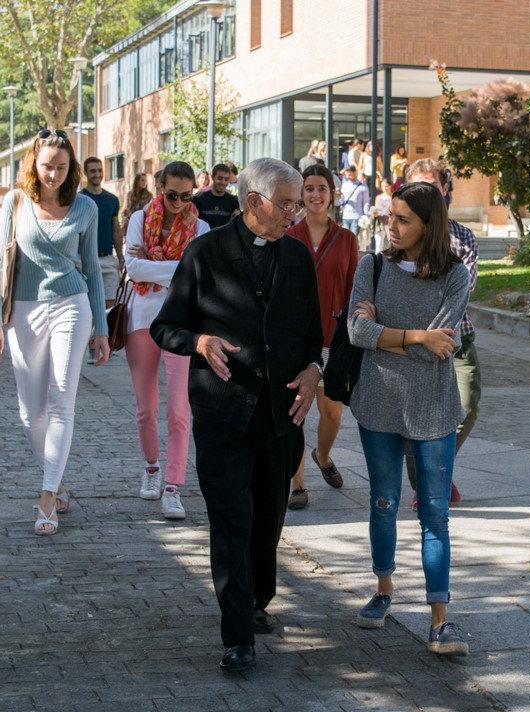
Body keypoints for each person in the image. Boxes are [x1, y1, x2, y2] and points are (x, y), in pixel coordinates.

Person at [151, 158, 323, 672]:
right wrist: (199, 341)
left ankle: (256, 601)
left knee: (267, 518)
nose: (296, 213)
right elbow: (166, 328)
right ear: (253, 203)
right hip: (223, 413)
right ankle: (237, 635)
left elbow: (313, 334)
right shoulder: (204, 254)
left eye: (298, 204)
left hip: (281, 414)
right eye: (288, 204)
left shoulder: (297, 256)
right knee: (231, 519)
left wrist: (315, 369)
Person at [347, 181, 471, 657]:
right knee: (383, 501)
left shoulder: (454, 276)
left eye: (403, 219)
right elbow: (357, 331)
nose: (391, 226)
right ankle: (383, 590)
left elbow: (440, 350)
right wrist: (418, 337)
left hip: (433, 409)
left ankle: (441, 621)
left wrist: (390, 334)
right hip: (377, 402)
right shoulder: (372, 265)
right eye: (390, 216)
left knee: (435, 513)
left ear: (427, 225)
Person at [0, 129, 110, 536]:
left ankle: (47, 493)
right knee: (29, 412)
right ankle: (55, 478)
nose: (53, 174)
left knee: (61, 400)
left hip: (72, 306)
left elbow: (91, 269)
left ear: (70, 166)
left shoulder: (86, 207)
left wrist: (102, 328)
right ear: (33, 165)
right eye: (46, 166)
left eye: (60, 166)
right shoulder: (15, 202)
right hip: (23, 310)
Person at [124, 161, 211, 520]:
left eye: (186, 195)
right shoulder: (139, 220)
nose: (178, 202)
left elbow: (199, 273)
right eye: (171, 194)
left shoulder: (201, 227)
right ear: (160, 186)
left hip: (182, 325)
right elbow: (133, 269)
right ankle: (151, 468)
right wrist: (179, 269)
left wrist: (158, 267)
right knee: (146, 409)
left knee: (179, 410)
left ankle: (173, 486)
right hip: (141, 320)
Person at [404, 158, 479, 508]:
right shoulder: (400, 234)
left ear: (445, 189)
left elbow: (465, 291)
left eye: (432, 186)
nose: (425, 194)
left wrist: (436, 330)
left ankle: (438, 470)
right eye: (417, 186)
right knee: (414, 415)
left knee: (466, 404)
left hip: (457, 337)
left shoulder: (462, 236)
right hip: (409, 342)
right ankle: (429, 482)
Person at [285, 164, 360, 510]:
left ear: (332, 194)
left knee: (332, 415)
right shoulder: (286, 235)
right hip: (296, 340)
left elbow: (353, 289)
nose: (315, 195)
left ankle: (323, 454)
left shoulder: (346, 239)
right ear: (301, 193)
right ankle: (297, 484)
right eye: (309, 188)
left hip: (332, 339)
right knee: (296, 414)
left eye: (322, 189)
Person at [79, 157, 123, 308]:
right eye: (92, 171)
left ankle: (107, 333)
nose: (97, 174)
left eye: (99, 170)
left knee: (111, 307)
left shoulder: (112, 200)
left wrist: (121, 258)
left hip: (108, 259)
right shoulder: (78, 199)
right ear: (85, 173)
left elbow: (116, 229)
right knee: (89, 306)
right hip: (85, 259)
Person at [191, 163, 240, 230]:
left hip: (224, 239)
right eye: (220, 178)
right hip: (203, 239)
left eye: (226, 179)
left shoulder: (233, 201)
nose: (223, 182)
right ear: (212, 177)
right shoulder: (199, 199)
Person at [338, 165, 369, 235]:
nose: (348, 176)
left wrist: (366, 216)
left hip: (357, 217)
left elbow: (366, 203)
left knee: (353, 239)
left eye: (350, 174)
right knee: (345, 239)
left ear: (354, 173)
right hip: (345, 216)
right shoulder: (344, 185)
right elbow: (342, 200)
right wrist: (338, 196)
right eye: (347, 174)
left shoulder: (362, 187)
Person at [371, 181, 393, 253]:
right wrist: (375, 213)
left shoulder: (393, 196)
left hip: (390, 222)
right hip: (380, 222)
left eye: (386, 186)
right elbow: (376, 208)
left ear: (390, 186)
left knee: (391, 242)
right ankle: (377, 260)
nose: (384, 188)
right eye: (383, 186)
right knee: (379, 243)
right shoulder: (378, 197)